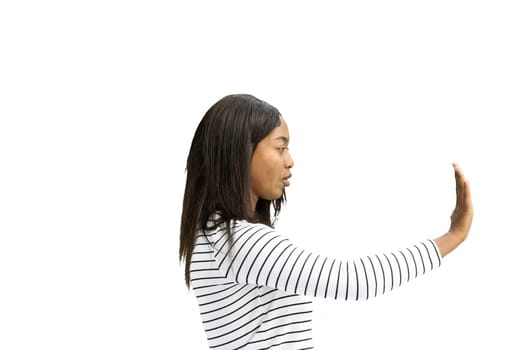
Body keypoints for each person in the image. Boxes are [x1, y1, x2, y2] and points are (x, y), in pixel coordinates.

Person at [179, 94, 473, 350]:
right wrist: (453, 236)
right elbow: (354, 281)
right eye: (280, 148)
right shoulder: (239, 241)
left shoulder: (209, 236)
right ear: (240, 152)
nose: (290, 161)